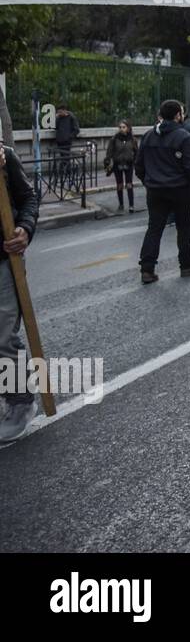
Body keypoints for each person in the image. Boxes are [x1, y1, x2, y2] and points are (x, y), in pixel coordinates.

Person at [135, 100, 190, 284]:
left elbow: (139, 165)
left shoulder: (148, 135)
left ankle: (147, 269)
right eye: (182, 112)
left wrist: (148, 181)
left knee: (154, 228)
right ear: (178, 115)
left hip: (155, 190)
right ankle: (187, 265)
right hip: (179, 189)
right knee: (184, 228)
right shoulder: (183, 137)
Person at [0, 142, 40, 442]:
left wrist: (24, 227)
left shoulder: (5, 156)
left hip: (3, 258)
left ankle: (19, 402)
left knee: (1, 336)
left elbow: (28, 197)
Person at [106, 120, 139, 213]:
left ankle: (131, 205)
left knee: (129, 184)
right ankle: (121, 204)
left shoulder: (133, 139)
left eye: (123, 127)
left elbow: (137, 152)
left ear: (128, 128)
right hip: (118, 164)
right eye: (120, 127)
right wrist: (107, 161)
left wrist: (137, 163)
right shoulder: (114, 139)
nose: (121, 129)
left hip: (128, 163)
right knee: (119, 185)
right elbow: (109, 151)